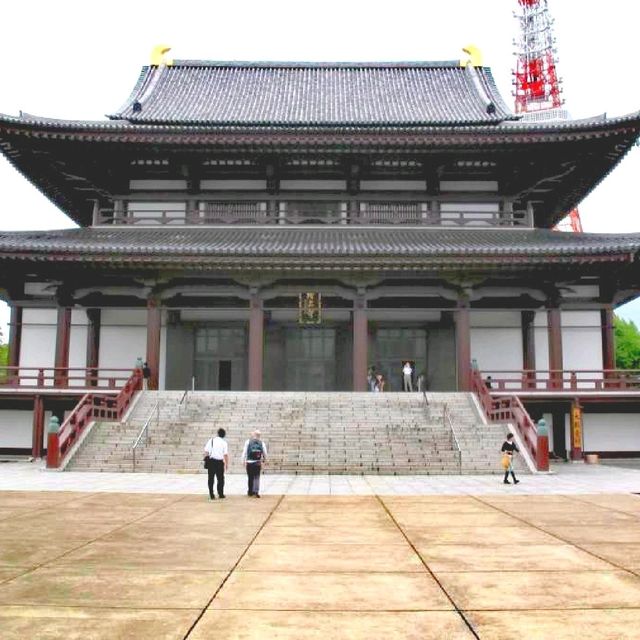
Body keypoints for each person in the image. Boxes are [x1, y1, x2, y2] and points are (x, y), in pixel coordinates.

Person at [204, 428, 229, 500]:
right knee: (220, 479)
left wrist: (206, 459)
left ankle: (211, 494)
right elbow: (225, 455)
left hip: (211, 462)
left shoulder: (211, 440)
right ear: (224, 435)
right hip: (220, 462)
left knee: (211, 478)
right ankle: (220, 494)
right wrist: (226, 464)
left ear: (217, 433)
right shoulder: (224, 443)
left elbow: (206, 451)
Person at [242, 429, 267, 497]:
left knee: (250, 477)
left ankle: (250, 492)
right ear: (259, 436)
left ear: (254, 435)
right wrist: (264, 460)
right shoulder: (262, 443)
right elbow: (265, 453)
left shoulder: (248, 441)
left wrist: (243, 460)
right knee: (257, 477)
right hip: (257, 462)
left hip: (249, 462)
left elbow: (244, 452)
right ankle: (256, 491)